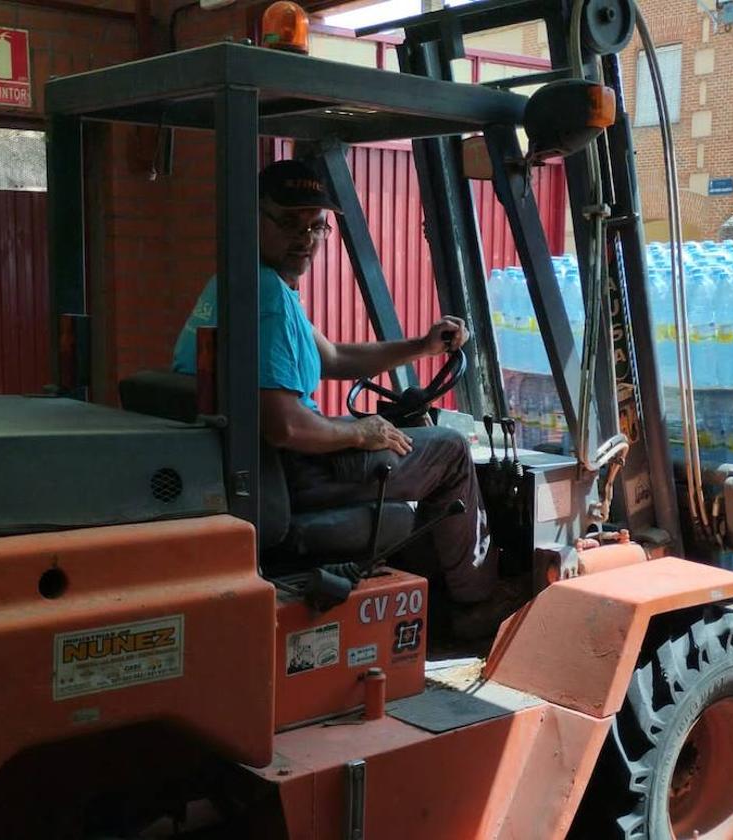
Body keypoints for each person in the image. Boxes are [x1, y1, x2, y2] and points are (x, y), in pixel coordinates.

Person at [172, 159, 501, 622]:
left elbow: (334, 359)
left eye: (316, 226)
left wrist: (422, 347)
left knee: (406, 436)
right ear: (253, 220)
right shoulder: (266, 300)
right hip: (297, 473)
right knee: (448, 450)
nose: (305, 237)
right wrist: (360, 433)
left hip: (263, 468)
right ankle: (473, 603)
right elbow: (285, 426)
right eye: (288, 223)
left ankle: (434, 589)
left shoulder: (242, 284)